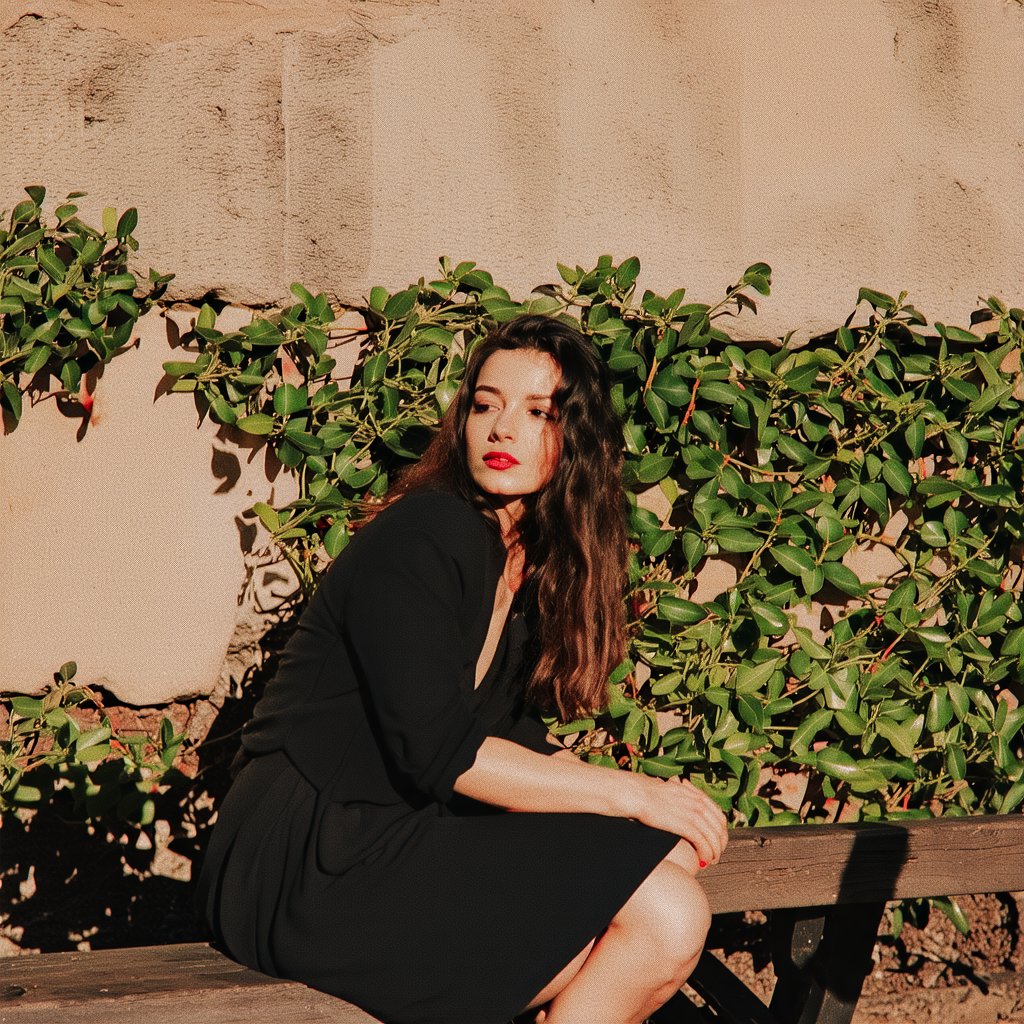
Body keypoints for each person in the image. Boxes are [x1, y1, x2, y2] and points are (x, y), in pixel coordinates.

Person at [197, 313, 728, 1024]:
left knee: (663, 875)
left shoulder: (518, 563)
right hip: (302, 862)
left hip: (388, 841)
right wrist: (631, 796)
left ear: (578, 439)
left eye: (537, 412)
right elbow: (444, 754)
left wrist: (655, 816)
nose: (501, 429)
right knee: (662, 915)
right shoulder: (427, 533)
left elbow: (513, 732)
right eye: (485, 404)